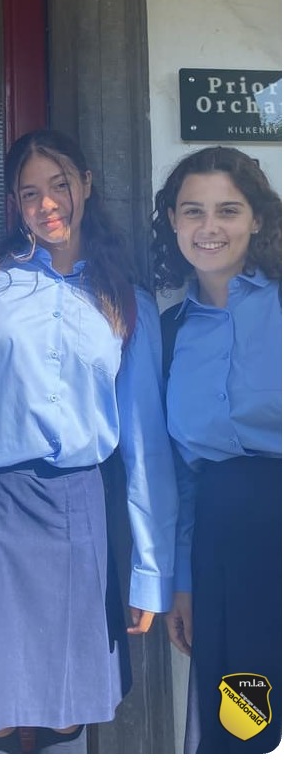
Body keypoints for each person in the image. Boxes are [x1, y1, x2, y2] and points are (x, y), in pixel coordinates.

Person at [0, 129, 178, 753]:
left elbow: (145, 448)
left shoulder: (126, 303)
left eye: (59, 185)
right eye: (30, 193)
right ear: (14, 204)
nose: (47, 203)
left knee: (66, 712)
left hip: (81, 515)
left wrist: (149, 572)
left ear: (85, 185)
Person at [151, 146, 281, 754]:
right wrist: (183, 583)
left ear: (257, 219)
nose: (210, 228)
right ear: (173, 222)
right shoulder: (170, 331)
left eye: (228, 210)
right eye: (192, 211)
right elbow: (185, 474)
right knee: (243, 717)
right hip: (220, 553)